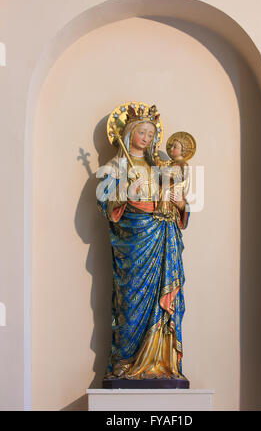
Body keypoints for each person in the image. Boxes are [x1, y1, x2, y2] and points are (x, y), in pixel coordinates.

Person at [96, 103, 189, 380]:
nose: (146, 139)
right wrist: (125, 190)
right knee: (130, 299)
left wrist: (180, 204)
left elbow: (173, 199)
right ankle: (125, 361)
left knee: (164, 298)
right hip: (134, 242)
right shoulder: (116, 165)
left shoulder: (158, 165)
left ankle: (162, 363)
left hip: (162, 236)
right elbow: (105, 203)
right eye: (142, 133)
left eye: (151, 135)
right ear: (129, 133)